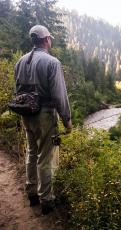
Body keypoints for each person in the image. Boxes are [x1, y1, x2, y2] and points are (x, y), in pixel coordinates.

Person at [14, 25, 72, 215]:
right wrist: (67, 120)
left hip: (26, 115)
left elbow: (18, 92)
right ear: (46, 40)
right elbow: (59, 96)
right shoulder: (52, 62)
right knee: (46, 157)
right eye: (50, 39)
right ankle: (46, 199)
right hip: (45, 116)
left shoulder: (20, 62)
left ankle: (31, 193)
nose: (51, 41)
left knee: (31, 152)